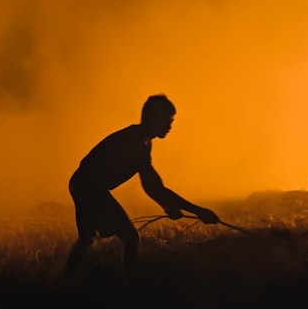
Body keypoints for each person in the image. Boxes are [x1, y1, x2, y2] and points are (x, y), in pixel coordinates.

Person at [63, 94, 219, 279]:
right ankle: (131, 285)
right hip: (89, 187)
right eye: (167, 120)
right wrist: (198, 211)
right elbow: (154, 188)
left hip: (84, 184)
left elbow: (153, 187)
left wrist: (168, 205)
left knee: (89, 239)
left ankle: (67, 279)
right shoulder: (137, 143)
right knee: (129, 236)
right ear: (153, 117)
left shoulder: (142, 141)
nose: (170, 126)